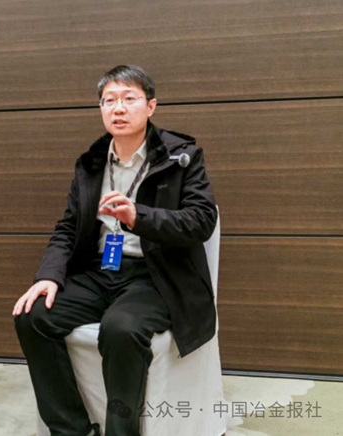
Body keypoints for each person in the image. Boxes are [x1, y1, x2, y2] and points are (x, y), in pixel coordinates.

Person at [13, 65, 218, 436]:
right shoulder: (91, 163)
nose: (118, 108)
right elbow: (67, 226)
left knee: (120, 328)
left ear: (151, 106)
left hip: (156, 277)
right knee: (33, 316)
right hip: (99, 272)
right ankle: (73, 430)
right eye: (109, 101)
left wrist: (138, 216)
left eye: (129, 98)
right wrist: (48, 276)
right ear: (101, 108)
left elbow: (201, 220)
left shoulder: (181, 156)